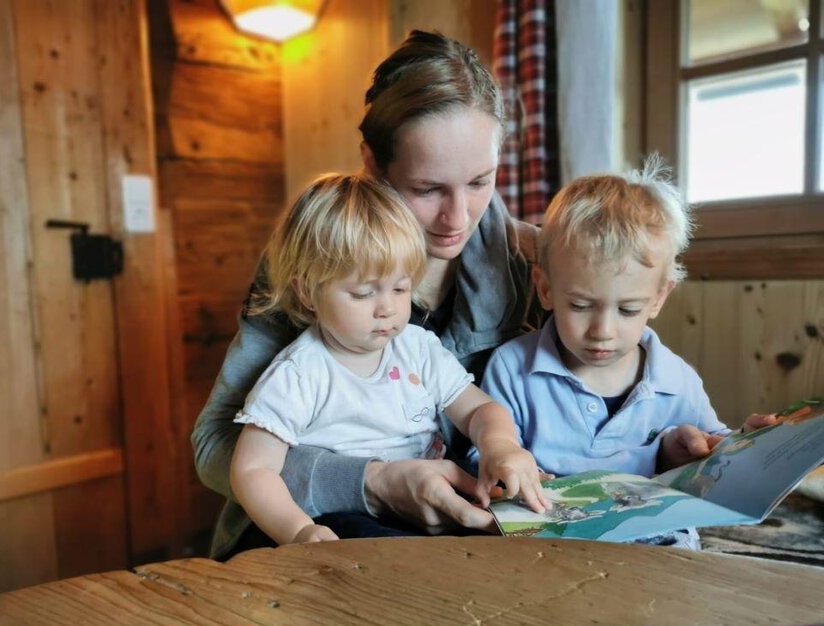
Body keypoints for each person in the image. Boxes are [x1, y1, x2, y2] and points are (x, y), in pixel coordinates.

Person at [192, 30, 542, 560]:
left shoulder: (535, 261)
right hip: (324, 527)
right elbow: (217, 447)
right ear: (374, 164)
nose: (457, 218)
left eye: (480, 182)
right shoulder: (319, 258)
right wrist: (371, 482)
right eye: (427, 189)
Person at [229, 174, 549, 546]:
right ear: (307, 292)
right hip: (348, 515)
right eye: (363, 293)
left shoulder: (417, 348)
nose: (387, 308)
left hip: (429, 498)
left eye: (400, 288)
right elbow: (253, 469)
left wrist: (500, 445)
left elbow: (479, 410)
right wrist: (298, 530)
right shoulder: (299, 374)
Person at [478, 160, 775, 548]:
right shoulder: (512, 368)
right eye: (581, 306)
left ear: (659, 298)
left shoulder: (676, 380)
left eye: (628, 310)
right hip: (548, 539)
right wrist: (506, 470)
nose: (603, 331)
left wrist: (745, 445)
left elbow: (711, 459)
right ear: (545, 289)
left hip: (656, 541)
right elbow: (485, 460)